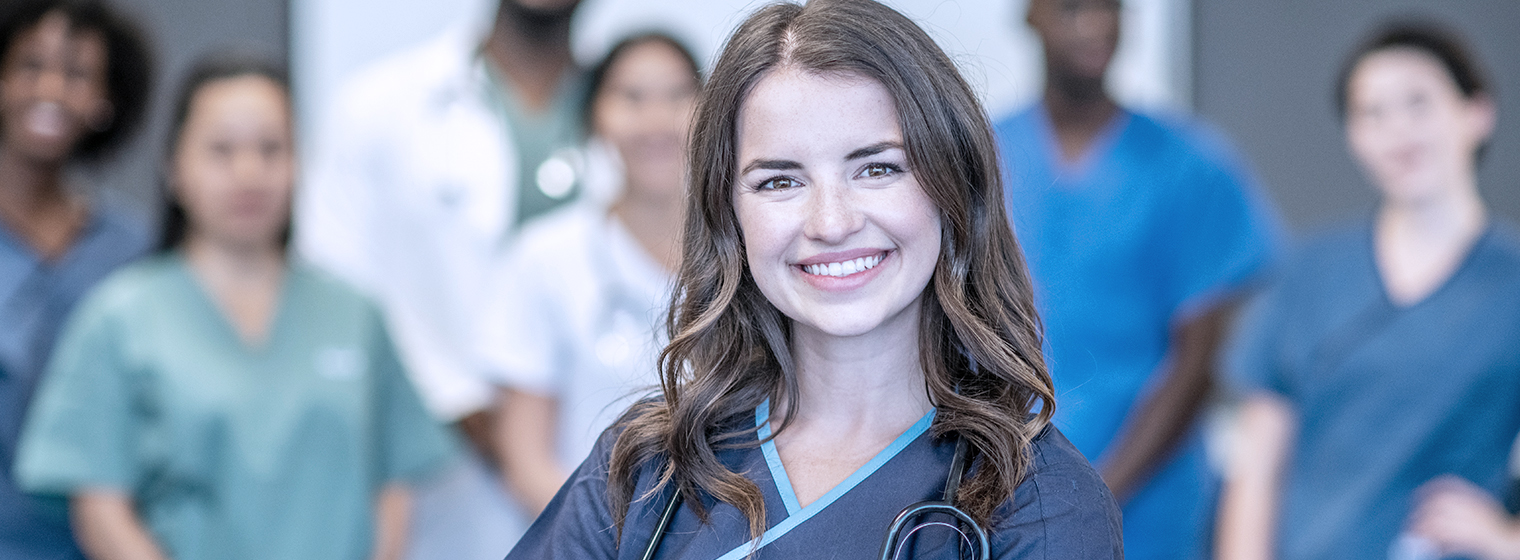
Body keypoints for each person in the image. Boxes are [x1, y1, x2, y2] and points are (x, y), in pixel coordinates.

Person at [506, 1, 1123, 558]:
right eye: (780, 180)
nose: (830, 222)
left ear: (952, 185)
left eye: (878, 168)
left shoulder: (1040, 506)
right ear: (729, 214)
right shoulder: (644, 471)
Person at [13, 51, 453, 560]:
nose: (249, 172)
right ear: (174, 168)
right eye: (221, 150)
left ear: (298, 165)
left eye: (271, 149)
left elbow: (393, 487)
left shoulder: (354, 316)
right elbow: (99, 507)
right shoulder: (120, 318)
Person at [1215, 20, 1520, 560]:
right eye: (1372, 113)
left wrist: (1504, 539)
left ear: (1478, 112)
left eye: (1418, 103)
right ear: (1354, 138)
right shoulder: (1308, 276)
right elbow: (1257, 467)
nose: (1398, 129)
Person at [295, 0, 588, 555]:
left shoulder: (636, 110)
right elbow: (333, 293)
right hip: (430, 468)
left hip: (599, 459)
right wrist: (465, 408)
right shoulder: (379, 106)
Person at [991, 0, 1281, 557]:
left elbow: (1196, 365)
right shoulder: (980, 157)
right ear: (1031, 15)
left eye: (1112, 8)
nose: (1097, 25)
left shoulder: (1190, 166)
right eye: (1073, 8)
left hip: (1149, 507)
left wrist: (1093, 496)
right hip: (1003, 492)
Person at [480, 31, 698, 518]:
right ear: (594, 116)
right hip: (593, 536)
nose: (656, 120)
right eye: (632, 97)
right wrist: (614, 539)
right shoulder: (544, 258)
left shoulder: (749, 250)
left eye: (678, 94)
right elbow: (526, 459)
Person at [0, 1, 152, 558]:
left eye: (77, 73)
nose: (51, 89)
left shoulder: (131, 252)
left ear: (105, 102)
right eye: (30, 66)